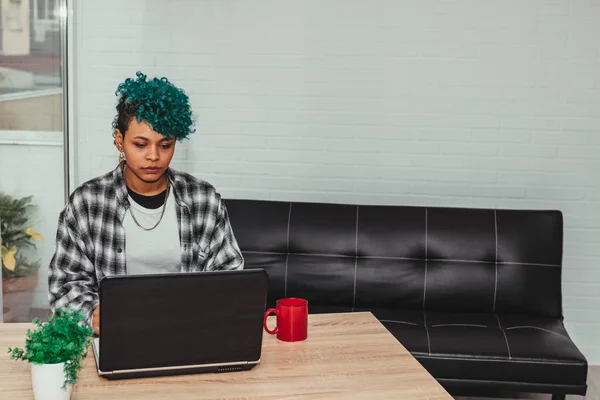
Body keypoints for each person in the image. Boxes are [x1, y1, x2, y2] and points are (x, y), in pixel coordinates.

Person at [48, 71, 244, 335]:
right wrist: (92, 316)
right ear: (120, 140)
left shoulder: (204, 200)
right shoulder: (88, 203)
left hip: (188, 335)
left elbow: (231, 277)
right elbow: (64, 284)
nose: (154, 156)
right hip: (117, 337)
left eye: (165, 145)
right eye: (141, 144)